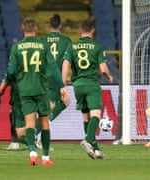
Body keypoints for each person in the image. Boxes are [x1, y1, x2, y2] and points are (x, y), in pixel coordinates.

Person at [7, 17, 67, 166]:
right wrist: (62, 86)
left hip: (25, 90)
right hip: (41, 88)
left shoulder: (16, 47)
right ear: (36, 29)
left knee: (29, 123)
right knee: (45, 123)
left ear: (22, 30)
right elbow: (53, 68)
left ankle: (32, 153)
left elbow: (11, 71)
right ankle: (45, 158)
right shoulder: (42, 45)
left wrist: (15, 79)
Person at [62, 18, 113, 159]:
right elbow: (103, 69)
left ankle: (95, 150)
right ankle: (88, 140)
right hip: (91, 84)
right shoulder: (97, 46)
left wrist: (63, 84)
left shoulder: (72, 46)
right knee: (96, 115)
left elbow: (65, 64)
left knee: (86, 117)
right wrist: (109, 76)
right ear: (93, 31)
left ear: (80, 31)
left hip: (78, 85)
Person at [35, 14, 71, 147]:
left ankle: (37, 134)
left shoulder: (42, 41)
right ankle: (36, 135)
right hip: (56, 79)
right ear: (60, 26)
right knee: (51, 108)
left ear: (49, 25)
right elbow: (66, 63)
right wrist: (64, 82)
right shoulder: (66, 41)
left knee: (63, 103)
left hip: (43, 77)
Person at [0, 77, 26, 150]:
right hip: (34, 97)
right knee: (12, 115)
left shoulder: (13, 68)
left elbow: (2, 88)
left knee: (20, 132)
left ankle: (34, 141)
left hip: (19, 100)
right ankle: (14, 142)